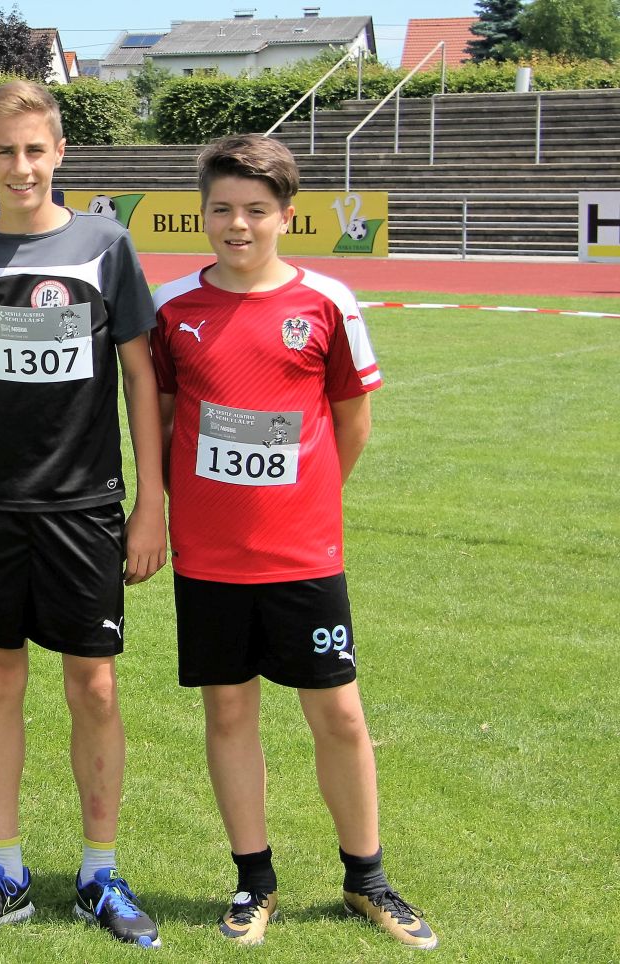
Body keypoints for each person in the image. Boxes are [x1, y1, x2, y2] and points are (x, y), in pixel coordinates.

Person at [150, 133, 437, 950]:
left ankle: (368, 878)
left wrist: (303, 502)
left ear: (286, 216)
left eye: (255, 211)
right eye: (221, 210)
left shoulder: (327, 303)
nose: (237, 225)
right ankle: (253, 882)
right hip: (206, 558)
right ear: (201, 212)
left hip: (305, 556)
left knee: (339, 715)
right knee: (230, 712)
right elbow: (161, 422)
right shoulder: (174, 308)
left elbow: (351, 422)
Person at [0, 80, 166, 948]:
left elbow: (141, 377)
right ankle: (5, 870)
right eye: (4, 151)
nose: (21, 166)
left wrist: (150, 504)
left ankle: (100, 873)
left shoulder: (106, 245)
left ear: (59, 153)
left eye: (36, 149)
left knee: (92, 684)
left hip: (86, 508)